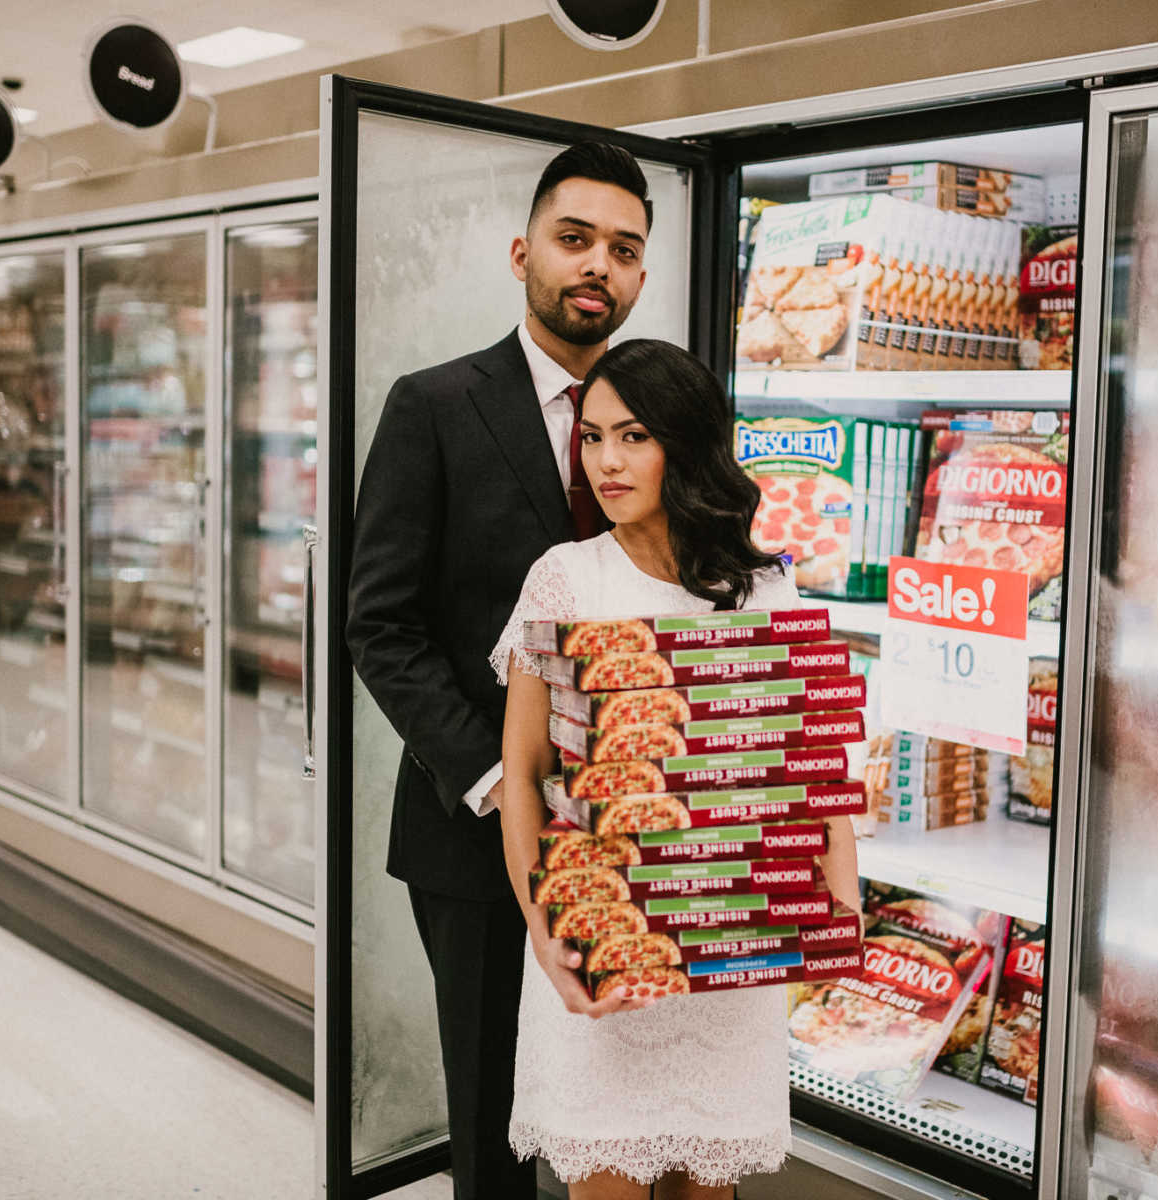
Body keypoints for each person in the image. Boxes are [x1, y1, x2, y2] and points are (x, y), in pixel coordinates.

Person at [347, 142, 654, 1199]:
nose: (596, 268)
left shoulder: (661, 418)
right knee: (493, 1124)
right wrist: (495, 779)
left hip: (640, 826)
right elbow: (379, 625)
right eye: (575, 240)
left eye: (623, 250)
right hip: (473, 830)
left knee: (621, 1103)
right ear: (523, 251)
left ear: (642, 276)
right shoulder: (430, 406)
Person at [490, 339, 861, 1199]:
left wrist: (838, 904)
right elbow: (522, 773)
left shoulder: (769, 589)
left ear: (686, 445)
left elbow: (809, 767)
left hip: (730, 961)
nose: (606, 462)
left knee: (710, 1190)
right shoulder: (565, 578)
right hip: (605, 945)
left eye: (633, 436)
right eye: (591, 438)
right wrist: (546, 935)